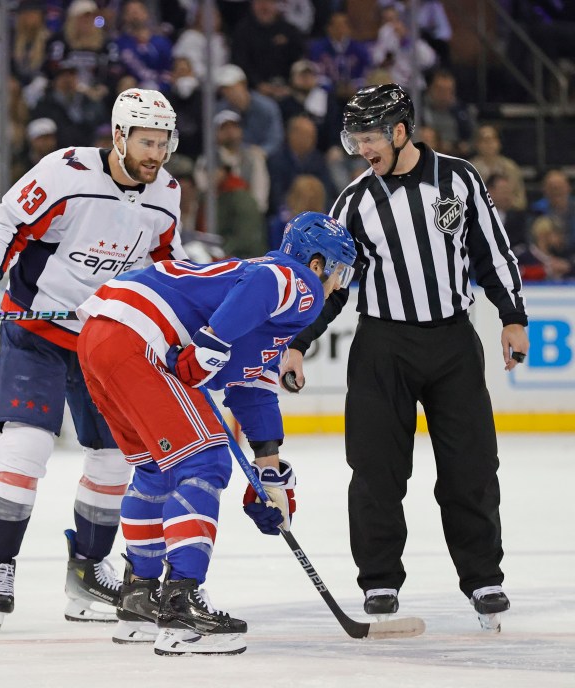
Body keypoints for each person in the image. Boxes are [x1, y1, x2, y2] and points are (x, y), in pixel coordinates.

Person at [0, 88, 186, 632]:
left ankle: (88, 572)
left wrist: (180, 329)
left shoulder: (166, 192)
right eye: (146, 141)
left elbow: (167, 264)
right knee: (26, 443)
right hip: (37, 328)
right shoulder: (65, 172)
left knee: (115, 459)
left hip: (106, 341)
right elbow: (4, 221)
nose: (156, 153)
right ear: (118, 136)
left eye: (163, 143)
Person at [281, 84, 529, 632]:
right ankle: (380, 581)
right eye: (356, 140)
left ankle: (484, 578)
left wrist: (512, 316)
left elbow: (493, 250)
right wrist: (297, 343)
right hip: (381, 348)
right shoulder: (353, 201)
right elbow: (335, 288)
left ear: (400, 131)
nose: (363, 149)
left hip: (452, 344)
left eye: (370, 137)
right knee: (374, 471)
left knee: (471, 469)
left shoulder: (459, 178)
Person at [76, 211, 357, 655]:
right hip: (140, 337)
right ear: (318, 263)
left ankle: (139, 599)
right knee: (205, 460)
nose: (339, 285)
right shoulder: (298, 282)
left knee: (155, 470)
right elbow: (265, 283)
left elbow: (255, 397)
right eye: (339, 271)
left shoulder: (272, 328)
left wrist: (270, 479)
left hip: (104, 336)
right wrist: (210, 342)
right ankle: (181, 604)